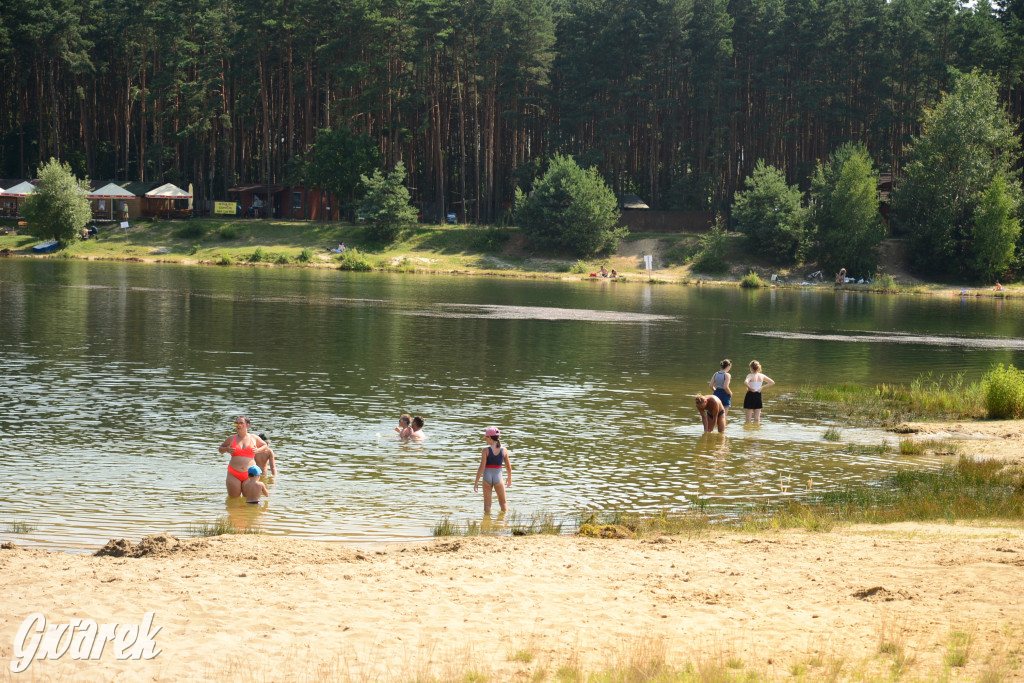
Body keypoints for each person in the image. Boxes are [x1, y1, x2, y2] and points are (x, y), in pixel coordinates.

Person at [218, 416, 276, 496]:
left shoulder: (254, 438)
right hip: (233, 473)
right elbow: (220, 449)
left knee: (248, 499)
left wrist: (258, 450)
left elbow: (265, 445)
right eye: (236, 423)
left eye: (241, 423)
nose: (238, 425)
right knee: (233, 500)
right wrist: (226, 449)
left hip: (250, 474)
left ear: (248, 425)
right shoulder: (231, 438)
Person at [474, 427, 513, 513]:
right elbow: (508, 467)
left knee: (487, 506)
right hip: (498, 477)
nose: (486, 440)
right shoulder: (504, 450)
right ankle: (504, 520)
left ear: (490, 438)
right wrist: (509, 478)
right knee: (503, 503)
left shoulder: (485, 450)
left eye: (486, 438)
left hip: (487, 477)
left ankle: (487, 521)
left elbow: (482, 467)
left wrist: (476, 482)